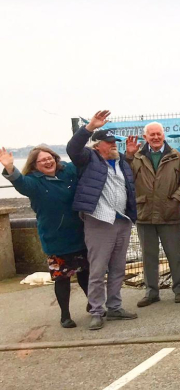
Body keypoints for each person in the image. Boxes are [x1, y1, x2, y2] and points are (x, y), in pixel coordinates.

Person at [66, 110, 139, 330]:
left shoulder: (122, 163)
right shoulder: (88, 159)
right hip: (99, 222)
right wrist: (89, 128)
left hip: (122, 221)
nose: (114, 144)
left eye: (115, 141)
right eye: (109, 142)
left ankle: (115, 307)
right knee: (97, 270)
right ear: (98, 145)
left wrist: (131, 155)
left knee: (118, 268)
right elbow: (72, 149)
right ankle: (97, 310)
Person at [1, 146, 88, 328]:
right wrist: (10, 168)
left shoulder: (68, 171)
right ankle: (65, 315)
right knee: (61, 278)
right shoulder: (34, 182)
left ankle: (94, 304)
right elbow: (21, 183)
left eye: (50, 158)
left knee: (85, 274)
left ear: (56, 158)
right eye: (43, 160)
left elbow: (80, 157)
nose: (48, 162)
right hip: (55, 238)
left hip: (80, 233)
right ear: (35, 165)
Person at [125, 123, 180, 307]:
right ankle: (151, 292)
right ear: (145, 137)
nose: (155, 137)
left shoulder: (177, 156)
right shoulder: (137, 157)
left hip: (169, 213)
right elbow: (125, 179)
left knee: (176, 254)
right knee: (148, 256)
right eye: (151, 134)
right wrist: (128, 156)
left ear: (164, 135)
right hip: (144, 213)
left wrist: (175, 200)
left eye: (158, 134)